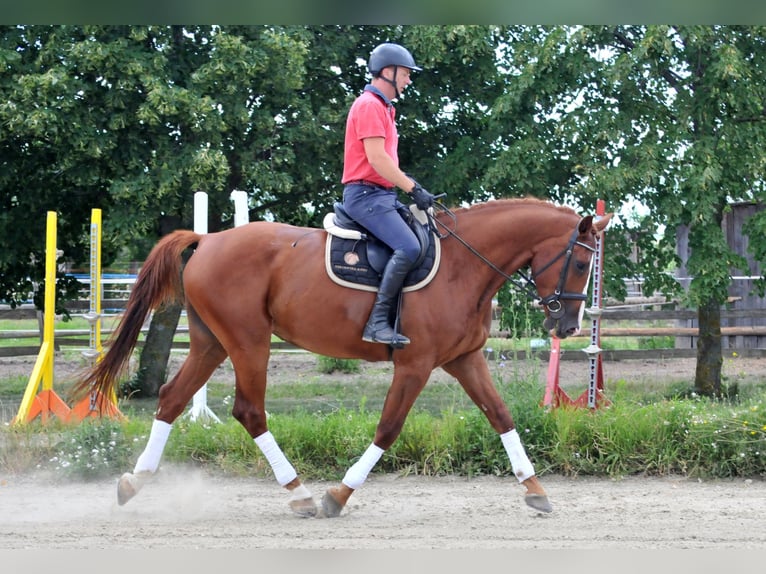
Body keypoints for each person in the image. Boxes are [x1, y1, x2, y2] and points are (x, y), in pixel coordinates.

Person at [341, 42, 436, 347]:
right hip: (365, 196)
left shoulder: (384, 108)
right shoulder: (369, 105)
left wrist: (410, 186)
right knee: (408, 248)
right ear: (387, 71)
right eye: (406, 74)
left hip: (380, 196)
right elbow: (377, 160)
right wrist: (413, 188)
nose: (408, 80)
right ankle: (377, 322)